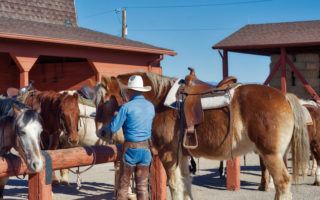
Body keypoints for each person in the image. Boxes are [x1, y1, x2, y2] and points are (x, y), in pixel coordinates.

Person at [100, 75, 155, 200]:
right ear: (142, 90)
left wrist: (116, 116)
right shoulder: (150, 106)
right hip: (146, 150)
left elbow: (113, 128)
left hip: (131, 150)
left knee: (123, 187)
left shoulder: (126, 107)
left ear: (130, 91)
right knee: (142, 187)